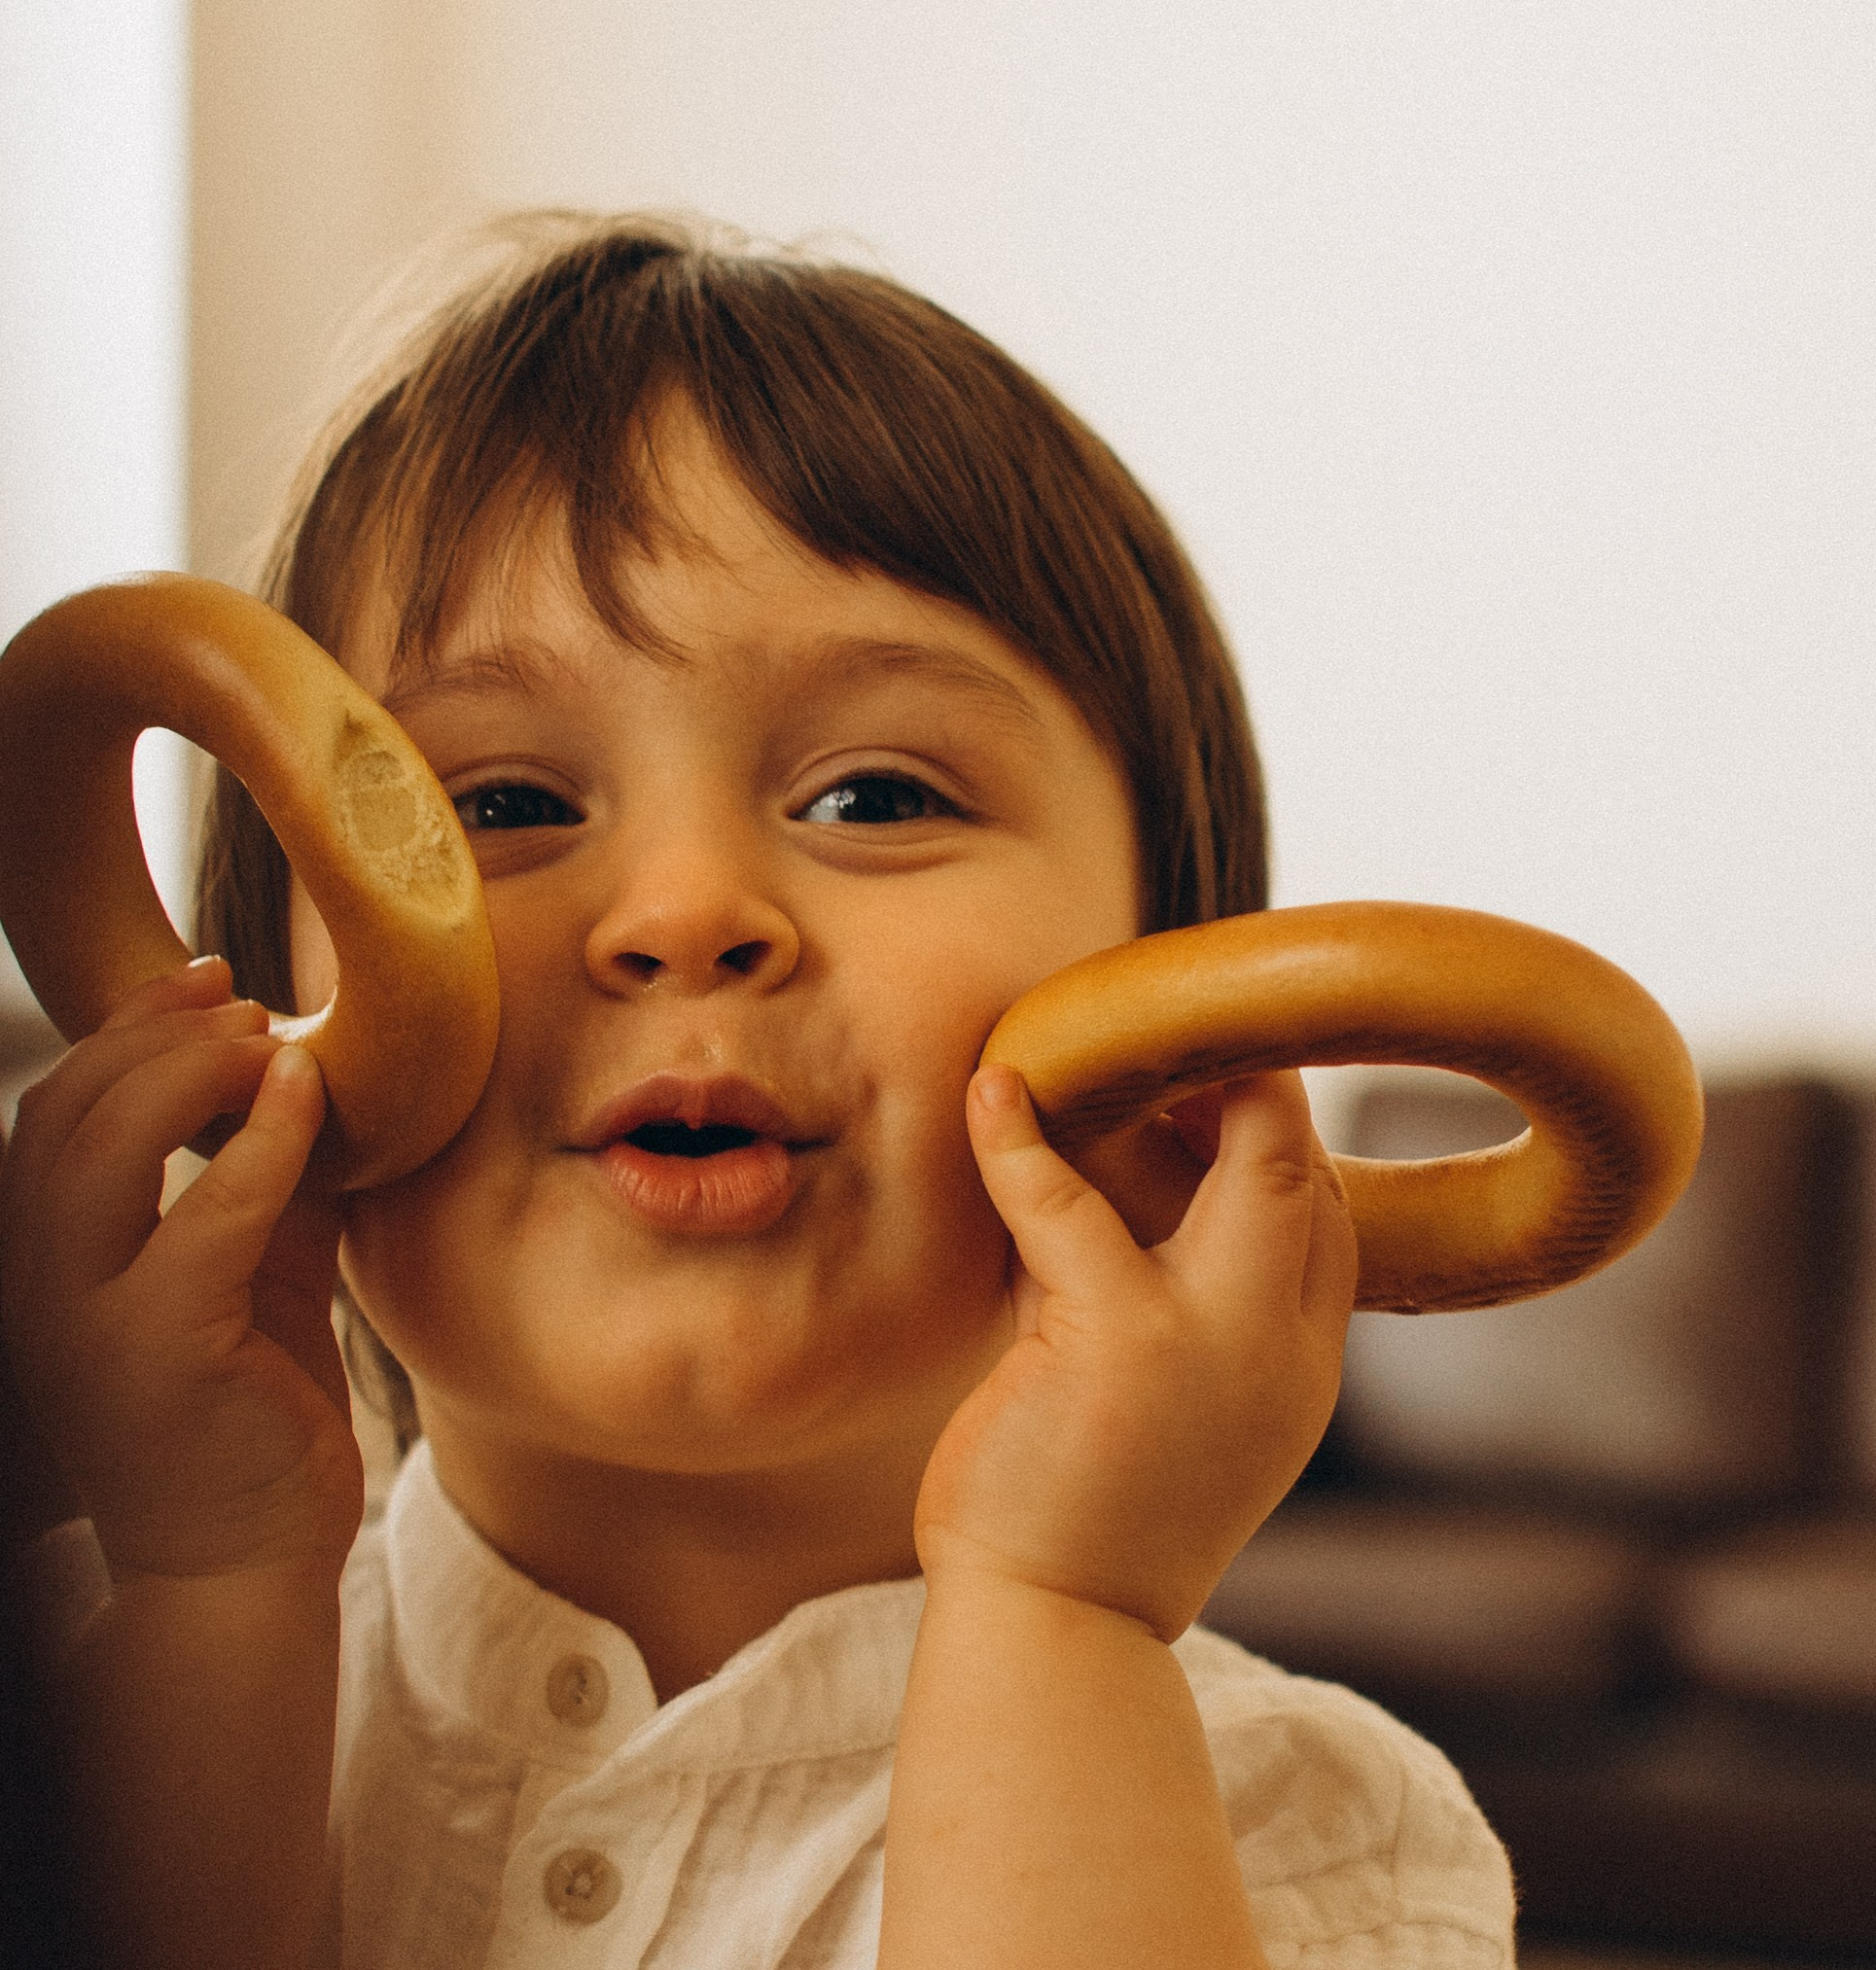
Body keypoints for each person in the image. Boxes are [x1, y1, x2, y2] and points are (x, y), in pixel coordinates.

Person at [0, 213, 1515, 1969]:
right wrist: (207, 1587)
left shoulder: (1311, 1835)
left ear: (1166, 1034)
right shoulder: (73, 1691)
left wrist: (1062, 1616)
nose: (689, 914)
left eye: (874, 796)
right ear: (277, 1029)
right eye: (494, 807)